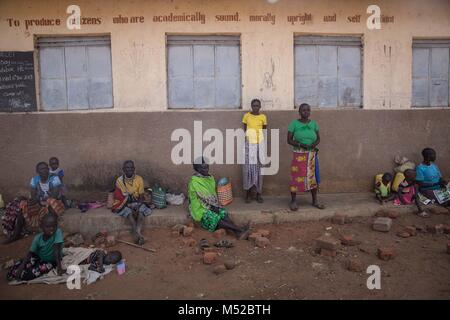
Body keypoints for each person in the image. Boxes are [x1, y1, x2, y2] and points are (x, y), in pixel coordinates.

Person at [2, 162, 64, 244]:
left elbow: (54, 196)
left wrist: (39, 199)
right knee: (23, 206)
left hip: (55, 205)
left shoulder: (54, 178)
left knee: (50, 201)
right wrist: (34, 201)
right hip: (40, 205)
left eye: (46, 168)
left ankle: (53, 234)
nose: (45, 170)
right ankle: (16, 235)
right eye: (42, 169)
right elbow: (33, 197)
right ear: (37, 171)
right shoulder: (34, 180)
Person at [188, 158, 250, 239]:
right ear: (197, 169)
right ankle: (239, 229)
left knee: (223, 212)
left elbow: (212, 195)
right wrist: (212, 207)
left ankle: (237, 232)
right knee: (213, 217)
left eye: (207, 167)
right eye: (203, 168)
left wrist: (215, 206)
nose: (206, 170)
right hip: (200, 208)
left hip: (210, 205)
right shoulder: (194, 182)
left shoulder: (209, 178)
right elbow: (203, 198)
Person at [287, 103, 324, 211]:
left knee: (312, 177)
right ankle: (293, 201)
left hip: (311, 154)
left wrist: (314, 144)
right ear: (299, 112)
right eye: (303, 110)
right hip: (299, 154)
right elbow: (289, 140)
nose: (306, 112)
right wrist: (300, 144)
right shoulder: (294, 124)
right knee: (296, 177)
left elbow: (318, 138)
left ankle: (315, 201)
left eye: (308, 110)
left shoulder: (314, 124)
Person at [7, 214, 65, 281]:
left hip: (51, 261)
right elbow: (31, 253)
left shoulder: (58, 232)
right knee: (17, 267)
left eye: (54, 226)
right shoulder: (37, 238)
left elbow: (56, 251)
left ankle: (20, 275)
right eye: (48, 226)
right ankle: (16, 273)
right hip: (39, 257)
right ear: (42, 227)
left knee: (30, 274)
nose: (52, 228)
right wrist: (21, 267)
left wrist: (59, 268)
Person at [111, 160, 152, 245]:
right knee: (129, 213)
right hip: (125, 203)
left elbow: (141, 196)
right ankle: (137, 235)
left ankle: (137, 233)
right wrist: (129, 205)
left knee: (141, 212)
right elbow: (120, 197)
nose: (129, 169)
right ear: (123, 169)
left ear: (134, 169)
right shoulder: (119, 181)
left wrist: (138, 205)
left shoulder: (139, 179)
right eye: (127, 167)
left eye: (131, 167)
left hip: (137, 201)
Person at [242, 99, 267, 203]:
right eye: (254, 105)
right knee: (247, 169)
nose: (255, 107)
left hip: (260, 145)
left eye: (257, 105)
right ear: (251, 106)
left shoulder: (263, 117)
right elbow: (245, 129)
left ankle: (258, 194)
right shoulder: (246, 116)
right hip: (249, 145)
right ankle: (247, 194)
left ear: (260, 106)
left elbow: (264, 131)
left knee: (259, 169)